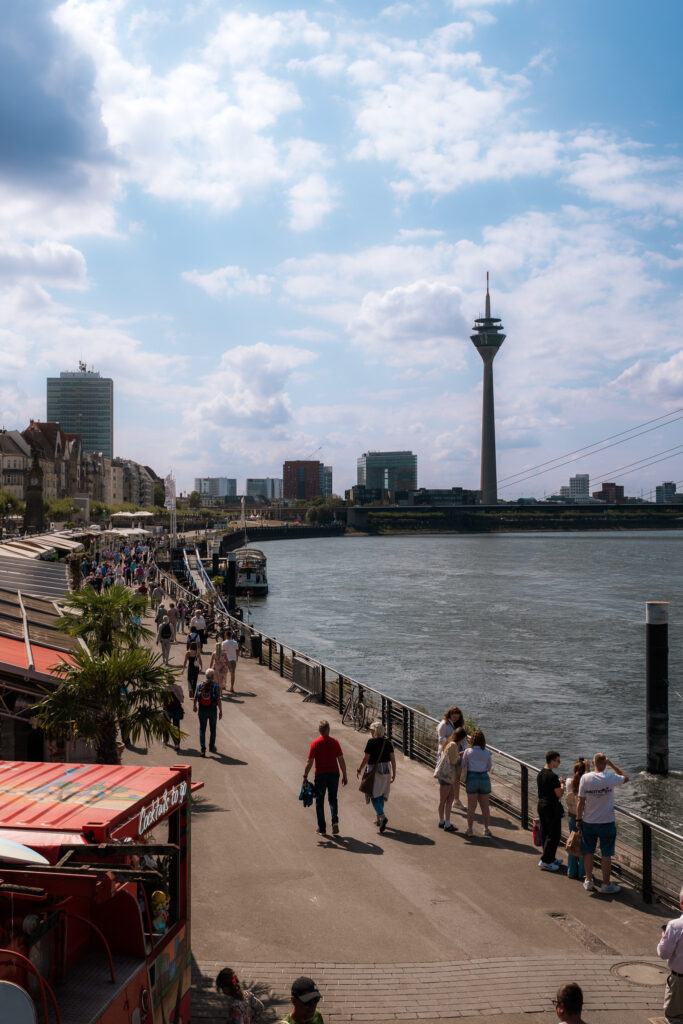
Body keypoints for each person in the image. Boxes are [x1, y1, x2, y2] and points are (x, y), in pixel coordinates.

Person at [576, 753, 628, 894]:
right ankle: (606, 884)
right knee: (606, 854)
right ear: (604, 764)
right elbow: (626, 778)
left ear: (593, 763)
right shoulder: (610, 778)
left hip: (589, 821)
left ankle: (588, 881)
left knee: (588, 852)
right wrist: (612, 765)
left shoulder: (585, 778)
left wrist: (578, 819)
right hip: (606, 821)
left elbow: (580, 801)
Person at [303, 720, 348, 836]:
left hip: (320, 775)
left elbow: (310, 761)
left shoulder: (315, 743)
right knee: (333, 799)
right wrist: (344, 774)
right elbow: (341, 759)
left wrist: (305, 776)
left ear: (319, 730)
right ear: (328, 730)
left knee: (319, 801)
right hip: (334, 774)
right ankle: (334, 821)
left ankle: (322, 828)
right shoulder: (335, 742)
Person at [356, 720, 396, 833]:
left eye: (371, 730)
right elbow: (393, 759)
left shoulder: (371, 742)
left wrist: (359, 769)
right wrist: (394, 773)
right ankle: (379, 820)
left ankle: (382, 816)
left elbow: (366, 758)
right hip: (386, 770)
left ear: (375, 731)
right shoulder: (388, 743)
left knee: (373, 794)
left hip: (375, 771)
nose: (370, 732)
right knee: (381, 794)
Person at [657, 885, 683, 1024]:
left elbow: (663, 953)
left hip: (679, 981)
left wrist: (664, 937)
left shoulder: (675, 926)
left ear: (681, 904)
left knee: (674, 1017)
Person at [461, 729, 493, 838]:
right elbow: (489, 767)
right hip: (484, 778)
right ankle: (486, 829)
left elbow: (463, 764)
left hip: (472, 778)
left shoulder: (468, 751)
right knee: (485, 806)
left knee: (471, 806)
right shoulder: (487, 752)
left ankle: (470, 830)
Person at [537, 750, 565, 872]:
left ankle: (550, 858)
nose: (559, 763)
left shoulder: (541, 773)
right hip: (551, 807)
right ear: (552, 760)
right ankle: (546, 861)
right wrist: (562, 784)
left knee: (545, 832)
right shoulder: (553, 776)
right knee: (554, 834)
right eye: (558, 761)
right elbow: (559, 794)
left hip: (542, 804)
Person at [435, 727, 466, 832]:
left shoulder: (450, 743)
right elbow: (453, 761)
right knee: (445, 800)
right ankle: (443, 822)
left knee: (447, 799)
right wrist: (461, 757)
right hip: (447, 776)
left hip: (446, 776)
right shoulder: (453, 745)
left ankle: (444, 821)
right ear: (461, 737)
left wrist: (460, 754)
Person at [565, 759, 587, 880]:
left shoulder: (568, 782)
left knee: (572, 842)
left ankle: (571, 870)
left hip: (571, 816)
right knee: (584, 846)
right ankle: (582, 873)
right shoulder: (586, 784)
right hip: (583, 819)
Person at [193, 668, 222, 756]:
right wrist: (221, 710)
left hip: (202, 709)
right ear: (213, 676)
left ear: (206, 675)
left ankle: (203, 749)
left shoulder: (199, 685)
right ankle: (211, 746)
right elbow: (218, 699)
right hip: (212, 709)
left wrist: (194, 706)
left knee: (202, 729)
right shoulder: (216, 686)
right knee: (212, 729)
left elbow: (195, 697)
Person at [164, 682, 184, 753]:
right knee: (176, 726)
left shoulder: (165, 689)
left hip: (167, 710)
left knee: (166, 725)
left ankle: (166, 739)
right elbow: (182, 699)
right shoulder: (178, 688)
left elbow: (162, 700)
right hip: (176, 709)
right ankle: (177, 744)